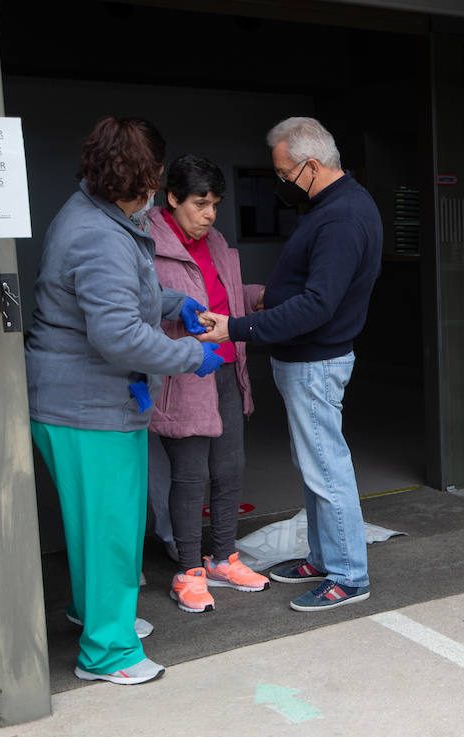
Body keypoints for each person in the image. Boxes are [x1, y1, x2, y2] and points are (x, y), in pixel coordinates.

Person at [26, 116, 224, 685]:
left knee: (102, 522)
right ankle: (107, 653)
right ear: (149, 175)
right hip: (87, 406)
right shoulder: (99, 231)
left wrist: (170, 304)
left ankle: (98, 616)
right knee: (109, 526)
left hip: (93, 402)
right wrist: (192, 357)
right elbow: (113, 333)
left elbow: (121, 293)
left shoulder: (97, 213)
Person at [195, 116, 382, 612]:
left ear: (312, 165)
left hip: (315, 362)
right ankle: (325, 558)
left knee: (327, 469)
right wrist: (267, 302)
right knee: (315, 465)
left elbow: (318, 304)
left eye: (284, 174)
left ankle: (348, 576)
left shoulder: (341, 217)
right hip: (308, 359)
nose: (281, 183)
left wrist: (235, 328)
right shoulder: (333, 206)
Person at [148, 154, 271, 612]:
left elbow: (227, 297)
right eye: (200, 204)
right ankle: (188, 571)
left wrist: (262, 296)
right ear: (172, 198)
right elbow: (136, 308)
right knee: (190, 475)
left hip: (225, 367)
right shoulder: (146, 242)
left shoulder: (217, 242)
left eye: (215, 204)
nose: (209, 215)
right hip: (182, 374)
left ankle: (222, 558)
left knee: (230, 469)